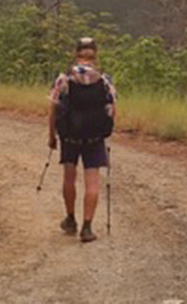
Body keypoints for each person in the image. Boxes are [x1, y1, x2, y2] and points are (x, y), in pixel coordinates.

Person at [48, 35, 116, 243]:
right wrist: (106, 130)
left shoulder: (64, 78)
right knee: (92, 183)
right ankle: (87, 227)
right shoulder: (104, 80)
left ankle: (70, 219)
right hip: (94, 138)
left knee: (69, 178)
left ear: (76, 54)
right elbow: (112, 110)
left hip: (70, 137)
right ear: (95, 55)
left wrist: (52, 135)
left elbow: (53, 108)